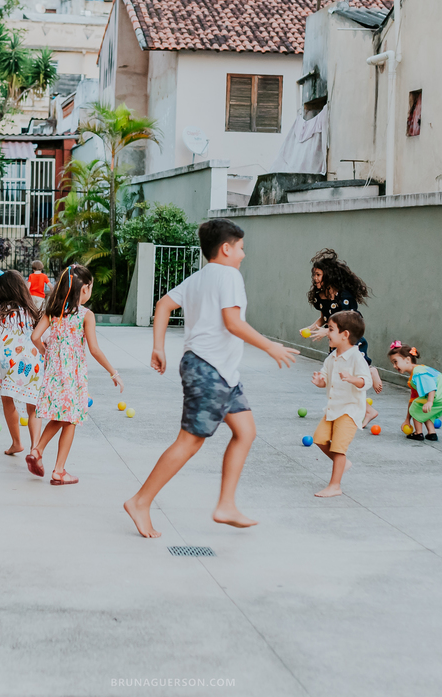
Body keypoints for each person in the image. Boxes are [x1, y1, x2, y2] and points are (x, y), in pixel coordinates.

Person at [124, 219, 298, 539]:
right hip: (209, 369)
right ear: (226, 248)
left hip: (221, 372)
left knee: (245, 432)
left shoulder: (199, 277)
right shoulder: (229, 275)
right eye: (241, 248)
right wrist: (270, 346)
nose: (244, 255)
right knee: (189, 442)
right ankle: (140, 501)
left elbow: (163, 305)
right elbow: (232, 322)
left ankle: (226, 505)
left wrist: (158, 347)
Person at [27, 264, 122, 485]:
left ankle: (38, 450)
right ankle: (57, 470)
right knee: (70, 420)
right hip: (73, 377)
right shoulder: (86, 315)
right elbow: (95, 349)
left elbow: (34, 337)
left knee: (62, 417)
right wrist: (113, 372)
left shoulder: (53, 311)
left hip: (53, 373)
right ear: (85, 289)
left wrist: (46, 352)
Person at [300, 249, 382, 426]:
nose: (315, 278)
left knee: (351, 372)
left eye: (318, 274)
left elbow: (348, 321)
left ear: (328, 275)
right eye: (314, 274)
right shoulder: (321, 296)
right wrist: (312, 327)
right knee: (340, 377)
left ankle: (370, 370)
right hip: (336, 344)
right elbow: (324, 317)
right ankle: (369, 411)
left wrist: (327, 331)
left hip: (350, 341)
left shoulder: (345, 297)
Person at [310, 311, 371, 498]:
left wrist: (353, 379)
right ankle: (343, 463)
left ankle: (335, 486)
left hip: (350, 410)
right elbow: (326, 378)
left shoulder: (356, 358)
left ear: (345, 335)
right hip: (333, 408)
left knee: (338, 448)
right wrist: (320, 381)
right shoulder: (332, 357)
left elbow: (366, 381)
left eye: (330, 329)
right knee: (319, 439)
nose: (327, 332)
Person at [0, 270, 44, 456]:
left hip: (10, 361)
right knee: (33, 406)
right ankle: (35, 448)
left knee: (7, 400)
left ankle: (17, 443)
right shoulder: (34, 310)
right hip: (33, 363)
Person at [387, 341, 442, 441]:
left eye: (395, 362)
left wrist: (430, 401)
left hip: (441, 395)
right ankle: (432, 433)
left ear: (407, 359)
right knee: (423, 408)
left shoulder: (418, 372)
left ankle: (418, 433)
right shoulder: (418, 372)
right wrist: (407, 420)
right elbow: (413, 398)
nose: (394, 366)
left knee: (416, 407)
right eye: (393, 363)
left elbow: (430, 386)